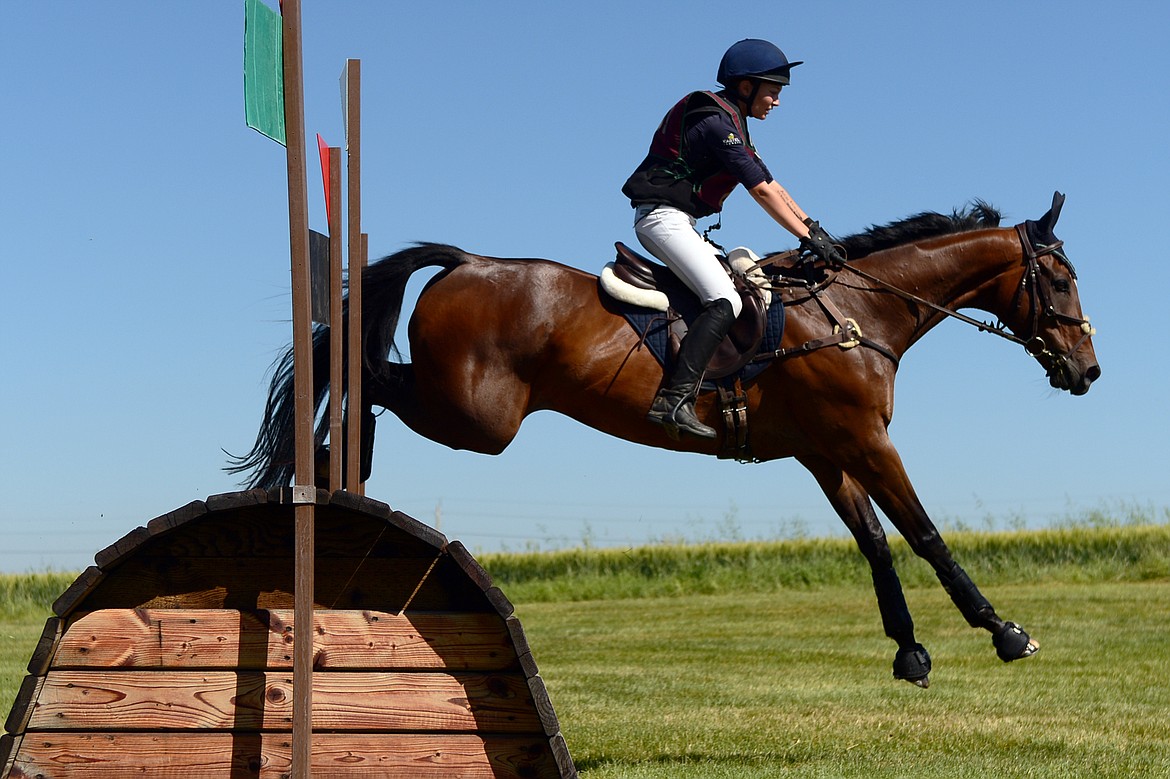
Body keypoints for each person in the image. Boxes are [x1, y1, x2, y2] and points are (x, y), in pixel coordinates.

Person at [623, 38, 845, 439]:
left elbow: (771, 183)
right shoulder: (716, 123)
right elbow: (759, 191)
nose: (776, 101)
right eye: (773, 91)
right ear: (746, 87)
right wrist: (804, 235)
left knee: (740, 288)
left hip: (678, 221)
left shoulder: (734, 122)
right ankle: (674, 400)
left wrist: (813, 228)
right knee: (724, 299)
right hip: (662, 219)